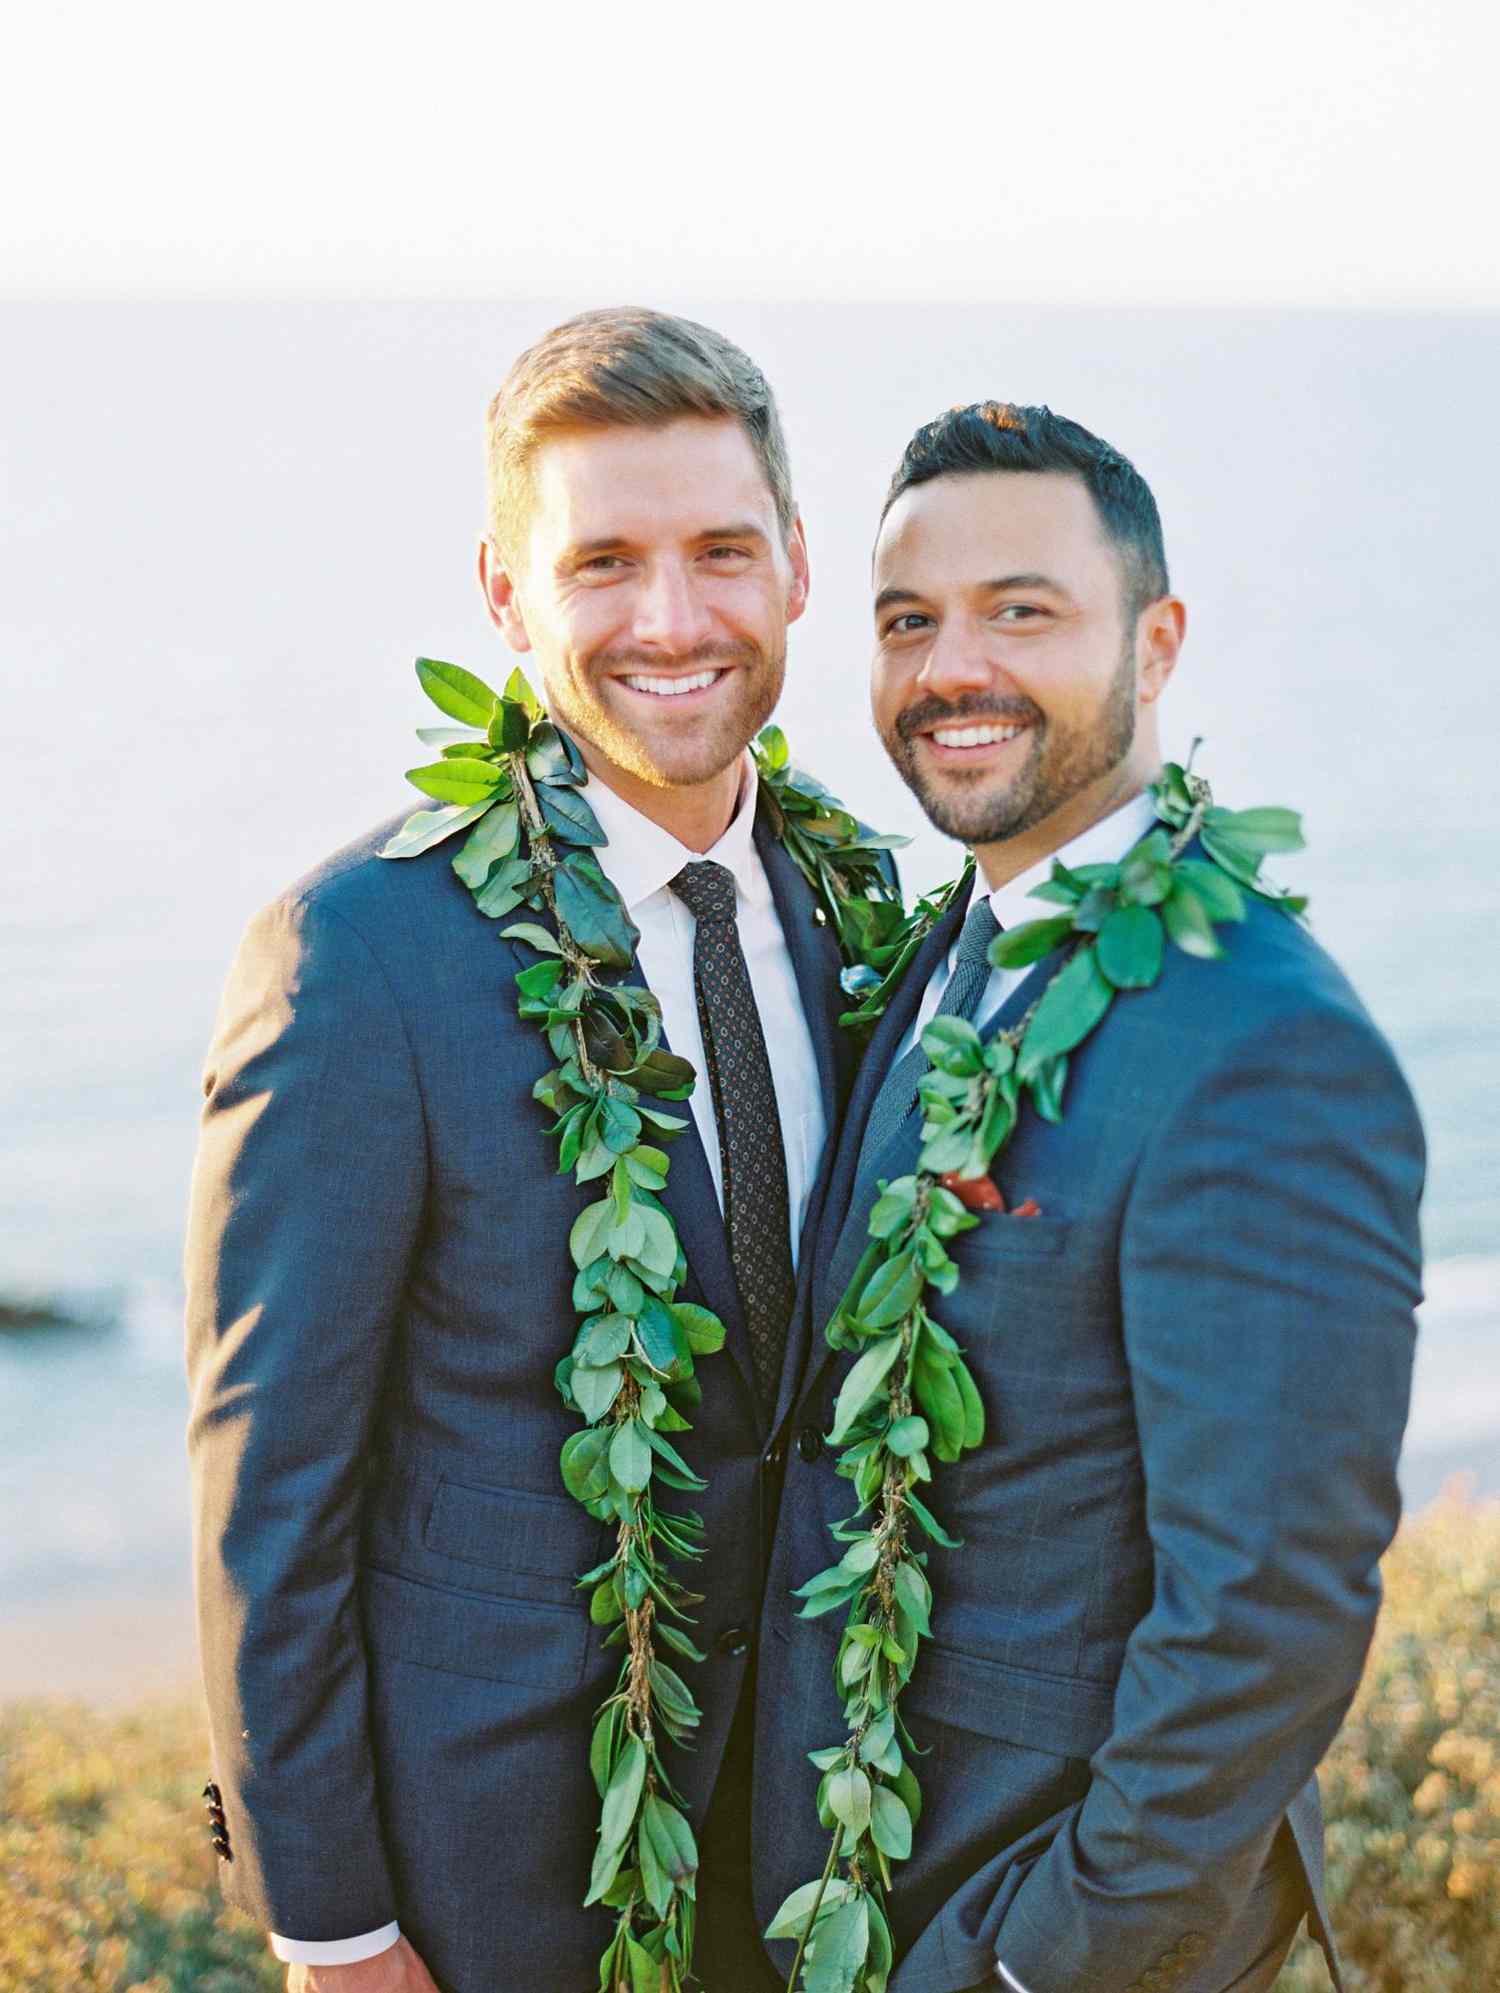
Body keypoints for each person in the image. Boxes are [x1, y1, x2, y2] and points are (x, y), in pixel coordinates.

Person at [184, 308, 879, 1993]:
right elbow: (267, 1497)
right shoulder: (363, 956)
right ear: (504, 590)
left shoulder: (860, 913)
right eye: (603, 562)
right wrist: (335, 1930)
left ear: (794, 565)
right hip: (485, 1891)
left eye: (722, 551)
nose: (672, 619)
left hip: (811, 1869)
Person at [755, 403, 1424, 1993]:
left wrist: (1043, 1961)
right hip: (851, 1894)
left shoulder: (1262, 1041)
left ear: (1158, 639)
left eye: (1023, 611)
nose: (953, 667)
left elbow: (1266, 1610)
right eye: (908, 620)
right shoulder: (948, 952)